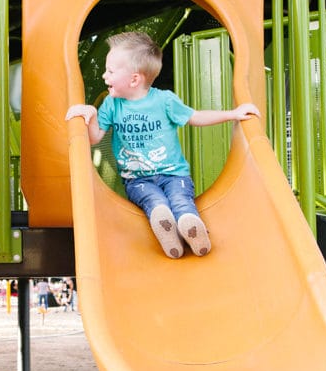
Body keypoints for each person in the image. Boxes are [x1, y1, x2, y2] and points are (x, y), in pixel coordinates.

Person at [65, 30, 260, 258]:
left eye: (110, 71)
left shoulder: (164, 100)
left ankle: (190, 227)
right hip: (137, 179)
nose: (104, 76)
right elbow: (94, 137)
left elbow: (195, 117)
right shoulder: (111, 104)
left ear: (134, 79)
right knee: (154, 201)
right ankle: (169, 233)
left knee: (180, 201)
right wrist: (89, 114)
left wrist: (233, 114)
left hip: (174, 175)